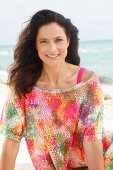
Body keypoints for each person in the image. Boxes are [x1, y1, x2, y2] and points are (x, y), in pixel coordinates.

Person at [0, 9, 112, 170]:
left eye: (58, 40)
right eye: (44, 41)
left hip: (103, 160)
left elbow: (92, 140)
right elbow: (11, 141)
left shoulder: (87, 82)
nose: (52, 49)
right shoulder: (23, 86)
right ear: (35, 45)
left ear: (68, 41)